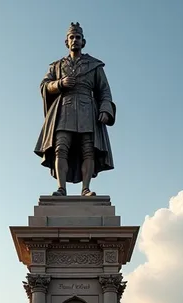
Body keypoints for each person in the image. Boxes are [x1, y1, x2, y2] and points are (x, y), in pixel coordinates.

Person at [34, 22, 115, 197]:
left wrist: (105, 109)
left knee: (88, 149)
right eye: (72, 37)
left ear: (83, 42)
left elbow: (104, 90)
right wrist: (59, 84)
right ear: (66, 42)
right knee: (61, 148)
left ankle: (85, 189)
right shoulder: (56, 66)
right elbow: (44, 85)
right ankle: (61, 188)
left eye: (78, 37)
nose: (75, 40)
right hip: (64, 110)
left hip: (88, 111)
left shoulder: (94, 65)